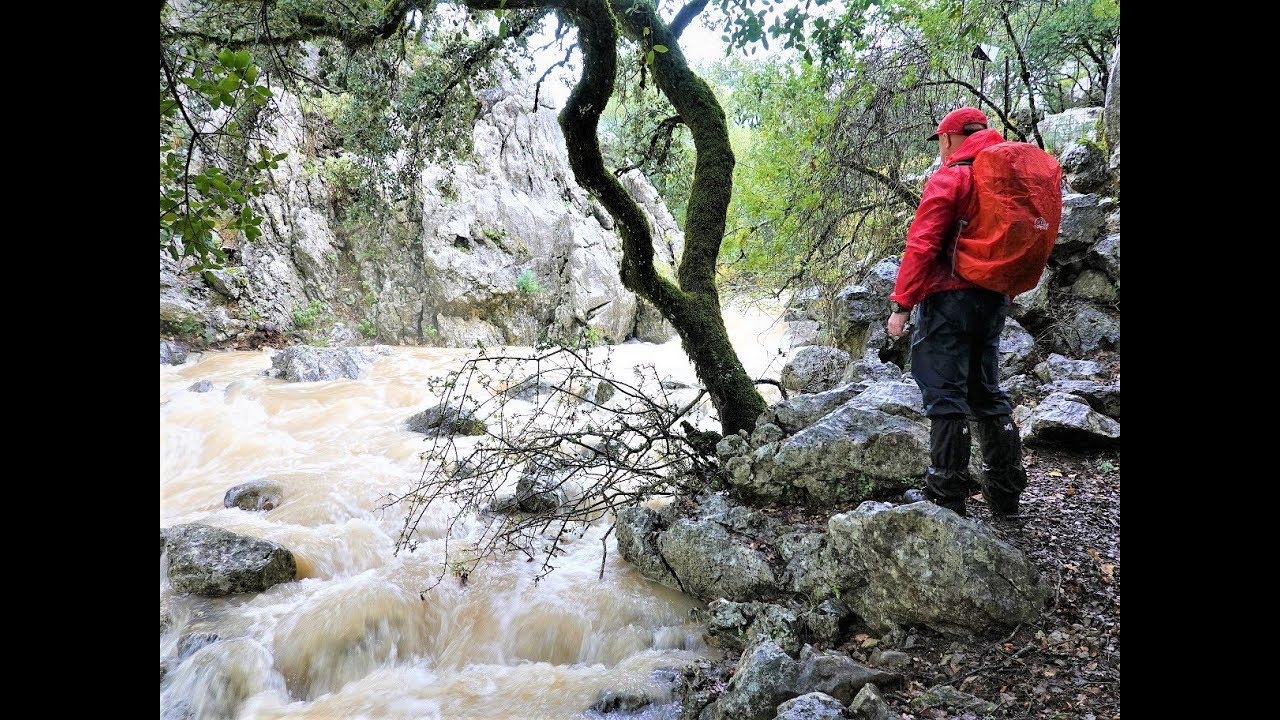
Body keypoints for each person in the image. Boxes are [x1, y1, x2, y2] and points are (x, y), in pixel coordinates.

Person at [887, 107, 1027, 519]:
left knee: (945, 394)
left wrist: (901, 305)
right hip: (994, 298)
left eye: (941, 140)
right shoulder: (1007, 178)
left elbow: (923, 246)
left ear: (949, 138)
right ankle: (1005, 495)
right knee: (987, 392)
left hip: (950, 299)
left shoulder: (951, 177)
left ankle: (946, 496)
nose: (942, 147)